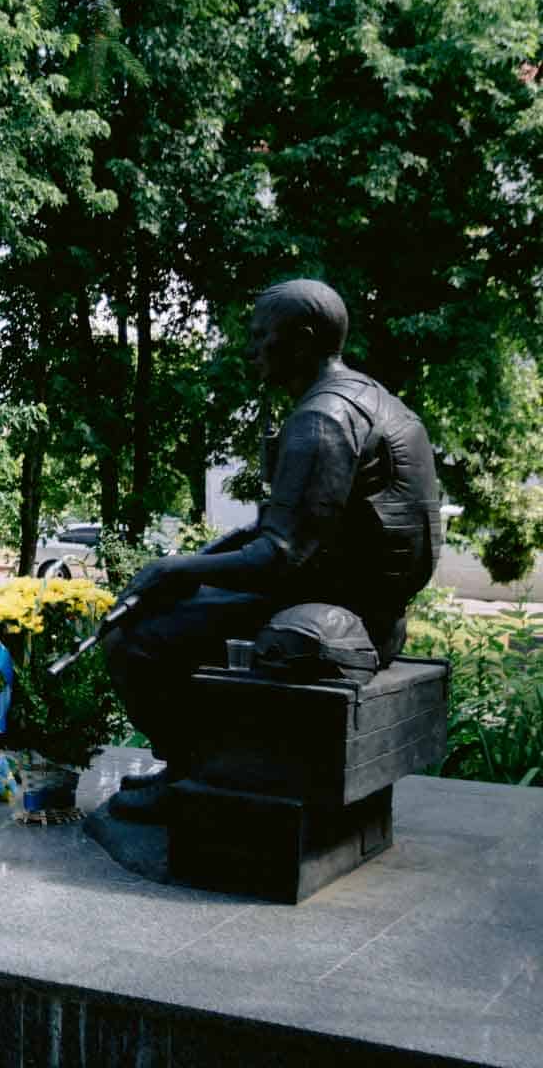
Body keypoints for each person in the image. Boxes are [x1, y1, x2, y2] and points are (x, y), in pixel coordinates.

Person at [101, 279, 442, 822]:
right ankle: (198, 770)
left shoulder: (322, 420)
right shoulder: (370, 399)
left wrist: (172, 569)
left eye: (263, 336)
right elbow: (292, 529)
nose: (251, 349)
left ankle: (190, 778)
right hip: (371, 612)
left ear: (302, 340)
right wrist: (203, 562)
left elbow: (281, 557)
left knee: (133, 638)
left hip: (336, 623)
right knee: (184, 603)